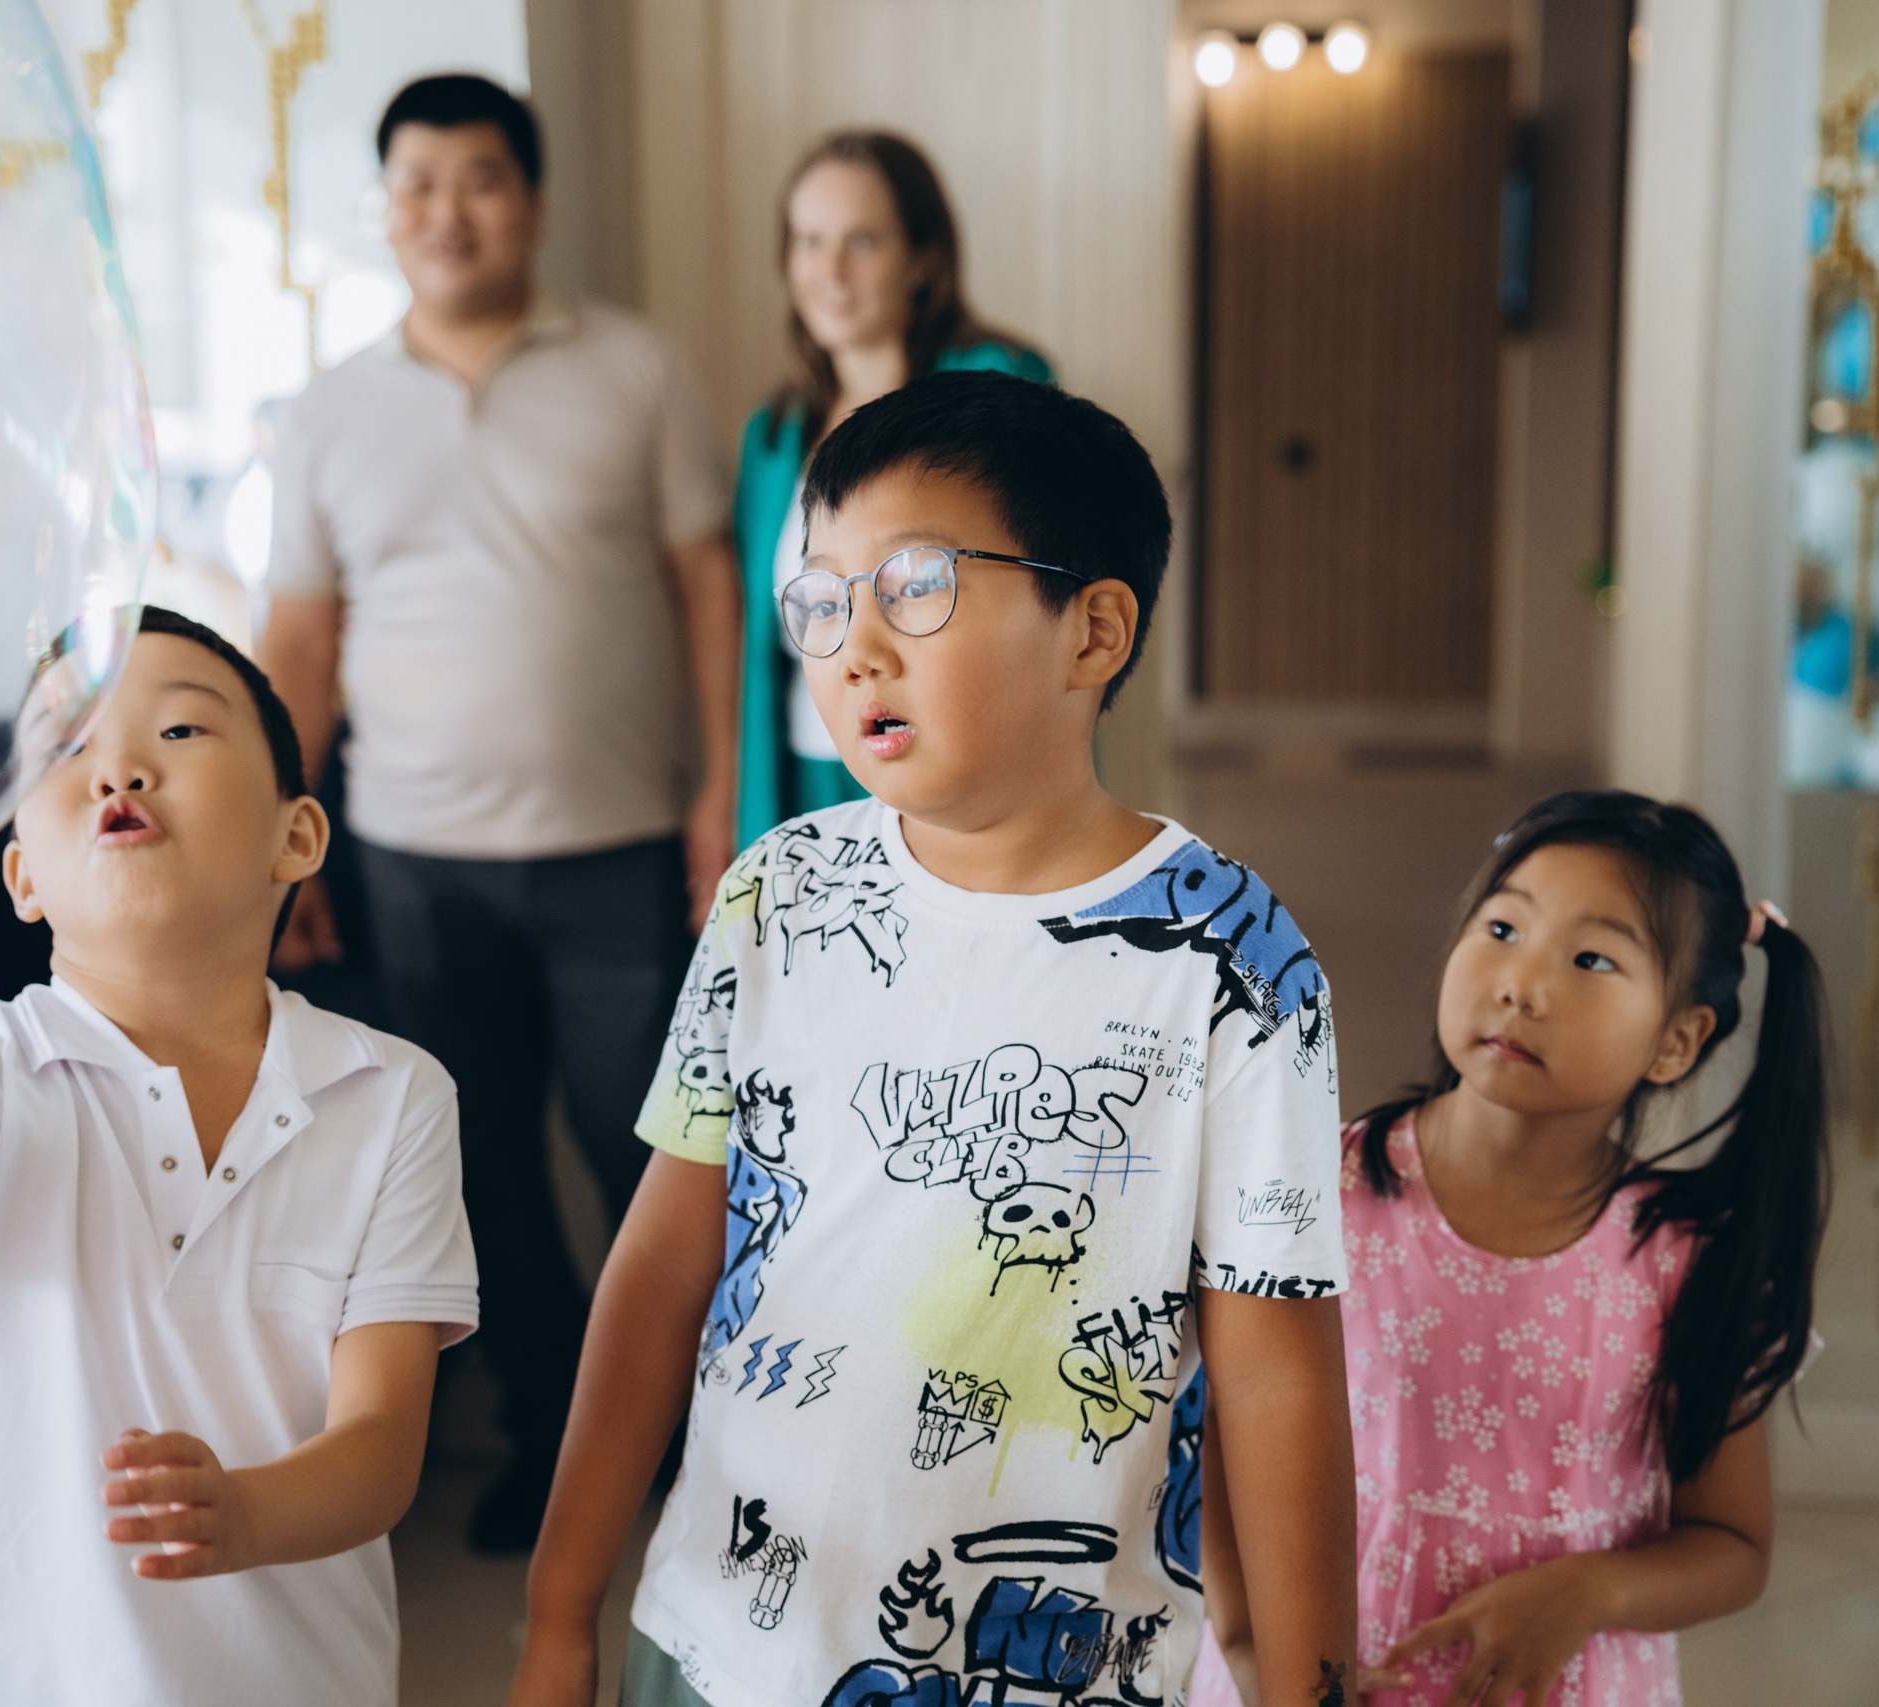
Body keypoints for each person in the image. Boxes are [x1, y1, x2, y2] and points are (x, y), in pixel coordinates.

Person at [504, 371, 1360, 1707]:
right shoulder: (777, 893)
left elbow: (1280, 1375)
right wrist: (563, 1605)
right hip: (726, 1632)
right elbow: (666, 1255)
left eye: (913, 586)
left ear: (1091, 630)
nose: (855, 647)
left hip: (1049, 1668)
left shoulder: (1233, 965)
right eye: (824, 597)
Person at [0, 609, 477, 1706]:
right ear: (23, 878)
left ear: (296, 838)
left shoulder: (389, 1092)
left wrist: (248, 1512)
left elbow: (380, 1443)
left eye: (179, 732)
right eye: (67, 745)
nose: (116, 763)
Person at [259, 73, 740, 1553]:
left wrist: (718, 794)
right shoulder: (328, 411)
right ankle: (552, 1438)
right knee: (480, 1178)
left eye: (480, 179)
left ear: (530, 202)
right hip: (412, 860)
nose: (448, 211)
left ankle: (716, 1447)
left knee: (652, 1157)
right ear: (384, 211)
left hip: (614, 850)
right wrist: (286, 839)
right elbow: (301, 642)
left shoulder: (636, 367)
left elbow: (704, 581)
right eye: (418, 185)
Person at [1190, 790, 1830, 1707]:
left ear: (1677, 1040)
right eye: (1502, 927)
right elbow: (1220, 1441)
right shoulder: (1309, 1194)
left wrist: (1590, 1589)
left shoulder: (1688, 1261)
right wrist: (1254, 1648)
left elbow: (1733, 1545)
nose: (1522, 982)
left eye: (1592, 957)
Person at [734, 132, 1052, 844]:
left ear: (924, 258)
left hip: (959, 771)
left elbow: (1042, 596)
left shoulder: (998, 385)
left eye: (864, 241)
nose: (831, 270)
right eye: (809, 242)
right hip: (812, 772)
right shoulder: (776, 434)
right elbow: (756, 645)